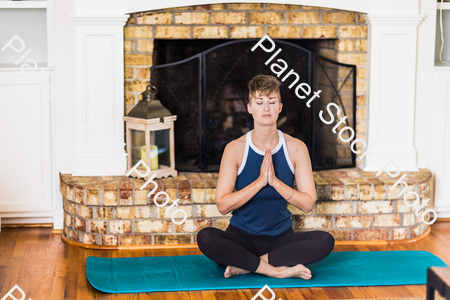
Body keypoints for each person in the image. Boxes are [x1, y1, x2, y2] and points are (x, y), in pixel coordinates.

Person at [197, 74, 335, 280]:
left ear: (280, 107)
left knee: (325, 241)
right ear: (249, 108)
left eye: (272, 102)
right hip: (240, 237)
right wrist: (260, 183)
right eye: (259, 102)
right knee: (206, 237)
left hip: (280, 239)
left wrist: (276, 183)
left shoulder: (296, 148)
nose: (266, 108)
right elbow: (223, 206)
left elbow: (307, 204)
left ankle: (247, 264)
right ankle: (275, 270)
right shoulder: (235, 149)